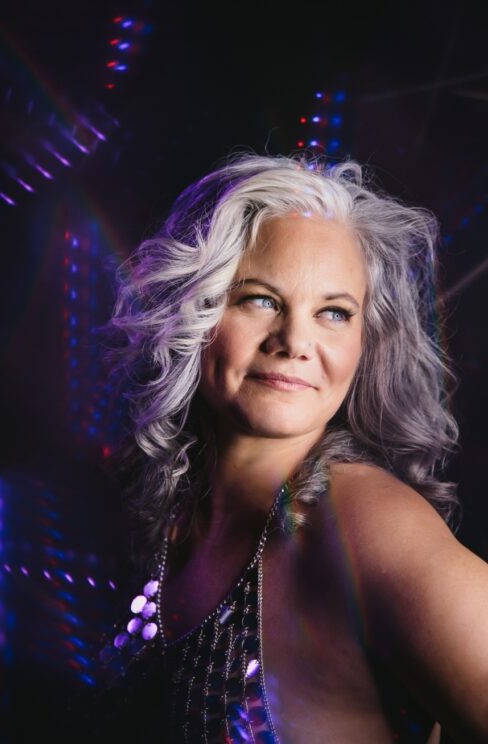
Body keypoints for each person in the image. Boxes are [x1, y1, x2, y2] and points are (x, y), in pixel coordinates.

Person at [96, 153, 488, 742]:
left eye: (333, 312)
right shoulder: (155, 506)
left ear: (366, 343)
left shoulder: (369, 526)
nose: (295, 341)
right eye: (260, 299)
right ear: (194, 310)